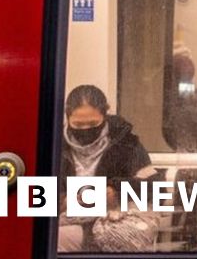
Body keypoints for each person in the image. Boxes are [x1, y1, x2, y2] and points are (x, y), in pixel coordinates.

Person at [58, 85, 157, 252]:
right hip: (68, 219)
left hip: (115, 219)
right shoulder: (54, 145)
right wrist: (64, 201)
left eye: (93, 124)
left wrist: (116, 191)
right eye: (78, 125)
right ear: (68, 118)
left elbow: (152, 186)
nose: (85, 130)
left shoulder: (125, 143)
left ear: (105, 115)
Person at [163, 53, 197, 151]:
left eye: (187, 76)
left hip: (195, 154)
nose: (182, 83)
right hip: (169, 152)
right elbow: (166, 129)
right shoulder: (163, 99)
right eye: (179, 76)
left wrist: (194, 105)